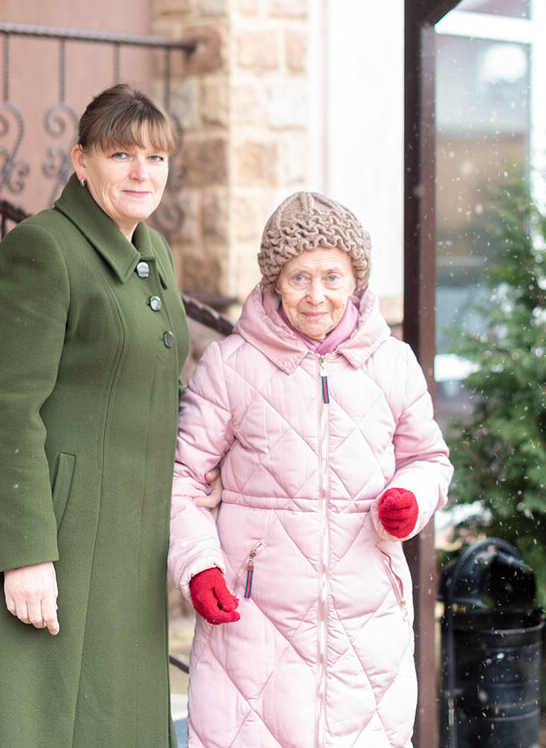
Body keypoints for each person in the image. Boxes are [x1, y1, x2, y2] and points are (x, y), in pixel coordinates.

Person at [0, 84, 191, 748]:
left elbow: (162, 383)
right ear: (80, 161)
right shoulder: (43, 249)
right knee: (37, 723)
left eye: (156, 157)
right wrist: (26, 553)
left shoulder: (155, 252)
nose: (142, 172)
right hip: (55, 530)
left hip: (129, 533)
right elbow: (6, 411)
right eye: (121, 154)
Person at [167, 191, 453, 748]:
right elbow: (183, 480)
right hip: (254, 625)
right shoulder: (230, 366)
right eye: (299, 278)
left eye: (332, 276)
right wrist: (200, 567)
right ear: (275, 281)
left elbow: (429, 459)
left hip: (367, 623)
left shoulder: (393, 364)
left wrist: (411, 499)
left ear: (356, 281)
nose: (317, 296)